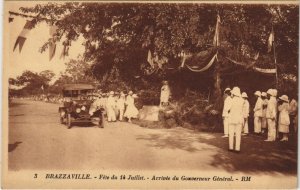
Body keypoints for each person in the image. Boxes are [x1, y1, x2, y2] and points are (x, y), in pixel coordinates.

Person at [225, 86, 244, 153]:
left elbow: (226, 109)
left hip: (232, 118)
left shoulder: (231, 100)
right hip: (239, 119)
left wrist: (229, 111)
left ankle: (231, 147)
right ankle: (237, 149)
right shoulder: (242, 100)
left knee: (231, 133)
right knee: (238, 134)